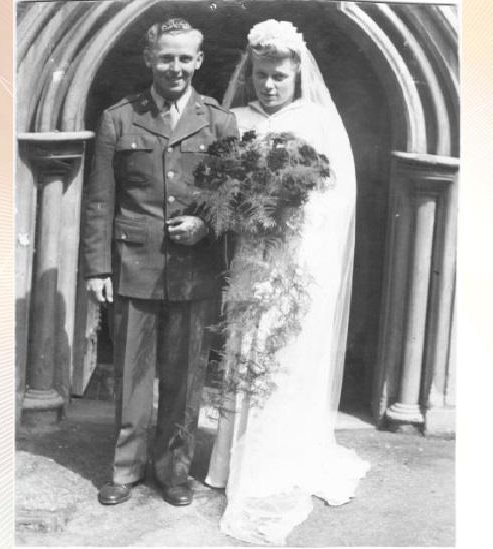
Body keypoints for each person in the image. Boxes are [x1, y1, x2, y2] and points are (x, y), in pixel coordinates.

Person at [205, 20, 371, 544]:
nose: (269, 86)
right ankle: (234, 463)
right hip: (252, 257)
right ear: (248, 74)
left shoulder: (318, 122)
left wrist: (291, 213)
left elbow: (338, 196)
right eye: (261, 75)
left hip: (300, 260)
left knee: (286, 356)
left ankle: (279, 463)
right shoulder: (234, 119)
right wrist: (241, 208)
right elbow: (220, 189)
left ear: (297, 75)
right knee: (245, 352)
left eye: (278, 76)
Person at [82, 17, 239, 507]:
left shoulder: (219, 122)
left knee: (185, 375)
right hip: (135, 264)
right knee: (132, 374)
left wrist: (205, 227)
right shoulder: (120, 118)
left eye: (184, 58)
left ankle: (174, 469)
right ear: (150, 59)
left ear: (199, 61)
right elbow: (99, 201)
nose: (175, 67)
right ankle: (125, 469)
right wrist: (96, 268)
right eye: (165, 57)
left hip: (194, 270)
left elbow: (230, 199)